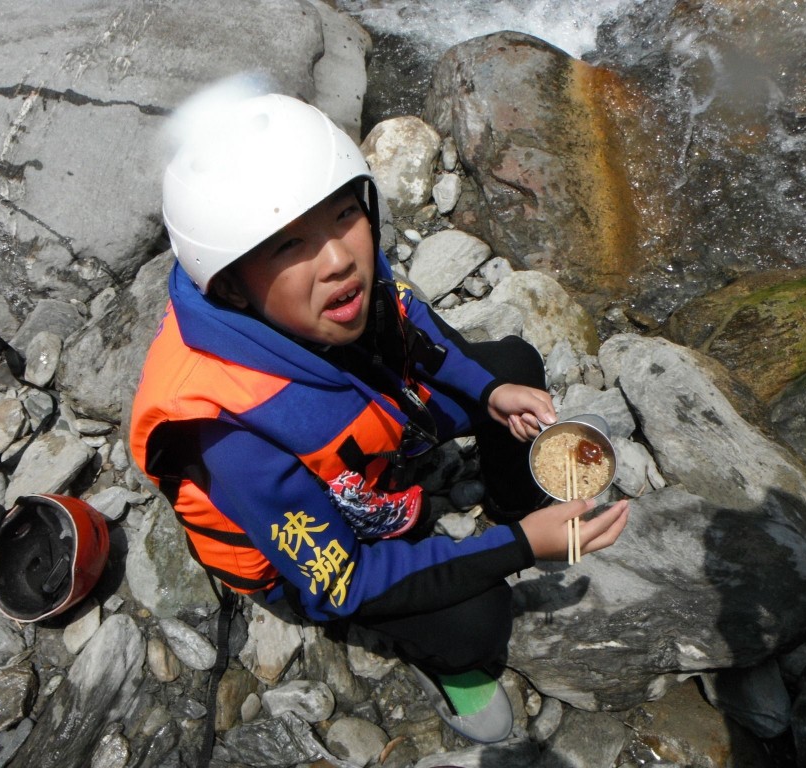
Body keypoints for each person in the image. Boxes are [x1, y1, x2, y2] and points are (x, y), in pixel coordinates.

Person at [130, 91, 630, 743]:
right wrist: (519, 551)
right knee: (479, 621)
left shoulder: (328, 292)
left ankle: (515, 504)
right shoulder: (229, 429)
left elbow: (411, 329)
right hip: (303, 553)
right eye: (288, 246)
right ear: (228, 285)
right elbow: (343, 582)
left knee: (511, 367)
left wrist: (486, 392)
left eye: (344, 216)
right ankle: (453, 652)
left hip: (362, 440)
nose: (339, 259)